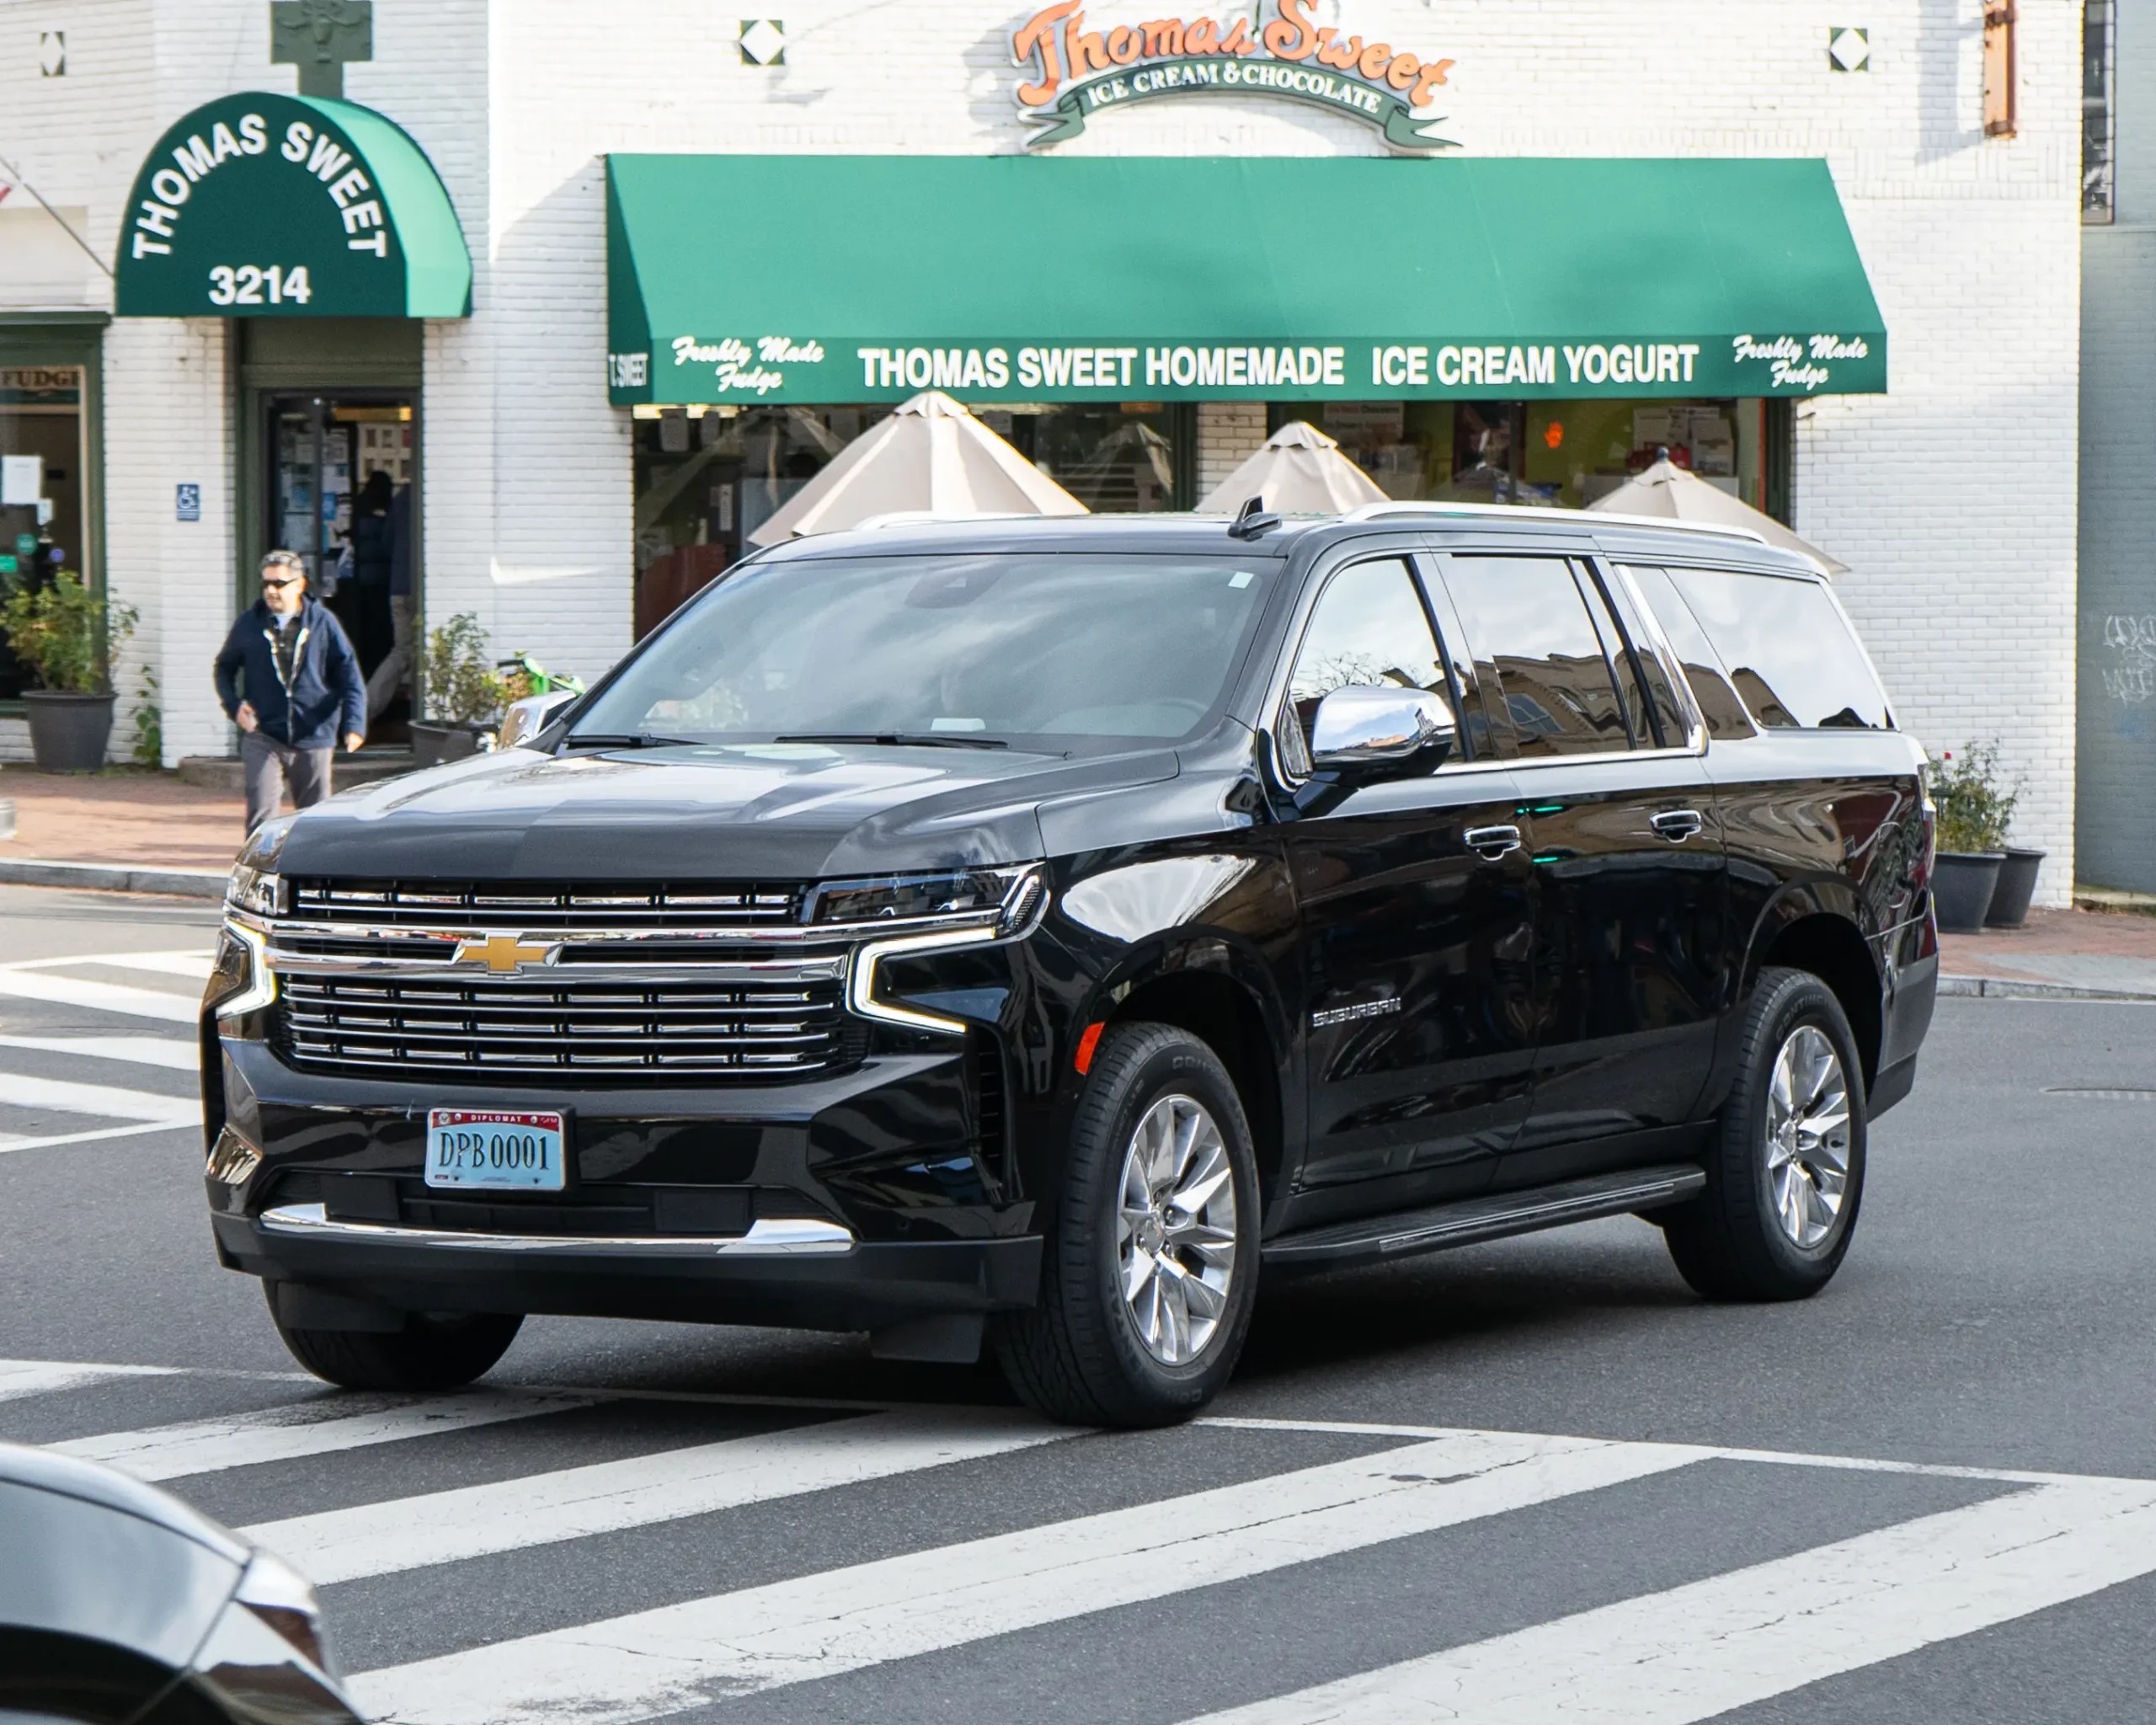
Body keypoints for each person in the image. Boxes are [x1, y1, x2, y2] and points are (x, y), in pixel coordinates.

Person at [214, 550, 366, 834]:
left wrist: (354, 724)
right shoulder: (250, 623)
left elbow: (349, 674)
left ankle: (313, 876)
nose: (271, 591)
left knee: (315, 820)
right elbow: (224, 668)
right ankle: (260, 876)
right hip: (264, 734)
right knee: (261, 818)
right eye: (266, 584)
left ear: (300, 585)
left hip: (314, 734)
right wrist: (235, 706)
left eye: (280, 584)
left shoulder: (323, 623)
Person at [365, 479, 414, 720]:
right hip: (419, 589)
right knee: (411, 651)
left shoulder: (400, 500)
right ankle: (364, 711)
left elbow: (386, 544)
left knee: (403, 651)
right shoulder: (424, 496)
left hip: (398, 588)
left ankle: (364, 712)